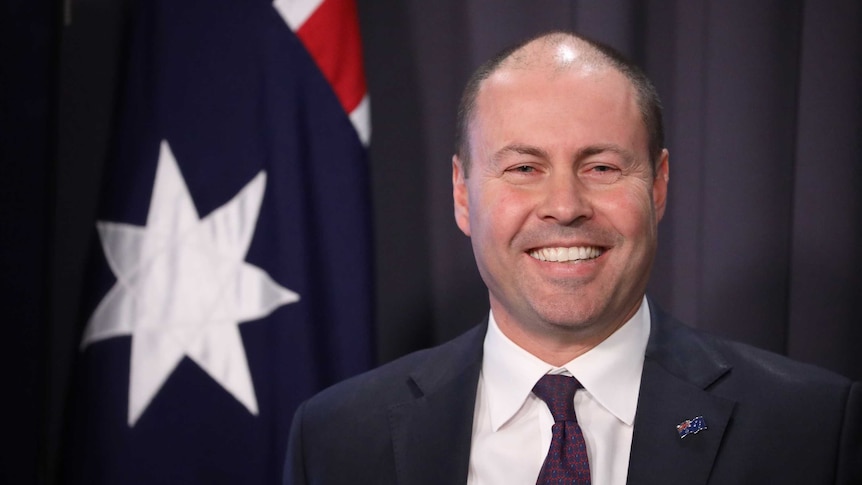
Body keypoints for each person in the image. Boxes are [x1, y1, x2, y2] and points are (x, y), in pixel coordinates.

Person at [283, 31, 861, 484]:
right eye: (523, 168)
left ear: (658, 187)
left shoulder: (811, 428)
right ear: (463, 193)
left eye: (602, 167)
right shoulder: (337, 438)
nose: (564, 206)